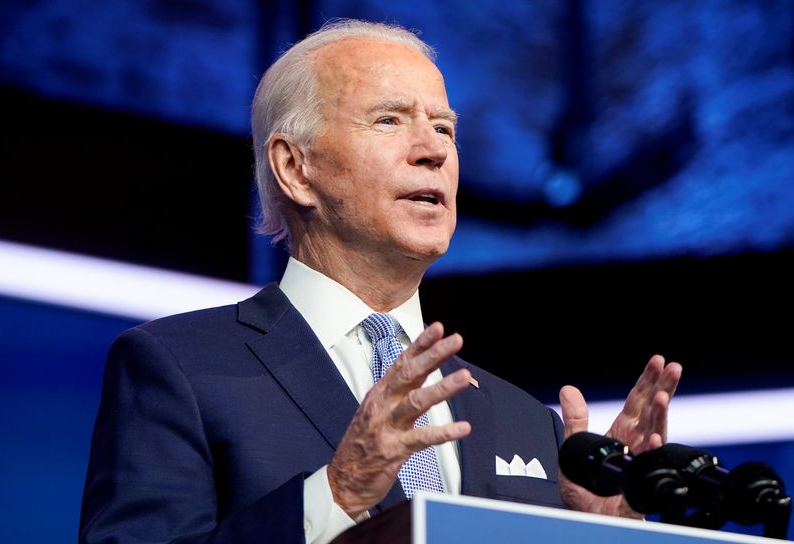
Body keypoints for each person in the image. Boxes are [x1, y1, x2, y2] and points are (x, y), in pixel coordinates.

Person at [79, 19, 682, 544]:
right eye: (389, 120)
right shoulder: (177, 369)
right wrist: (335, 495)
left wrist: (599, 536)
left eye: (444, 128)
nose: (434, 152)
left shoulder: (529, 422)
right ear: (296, 168)